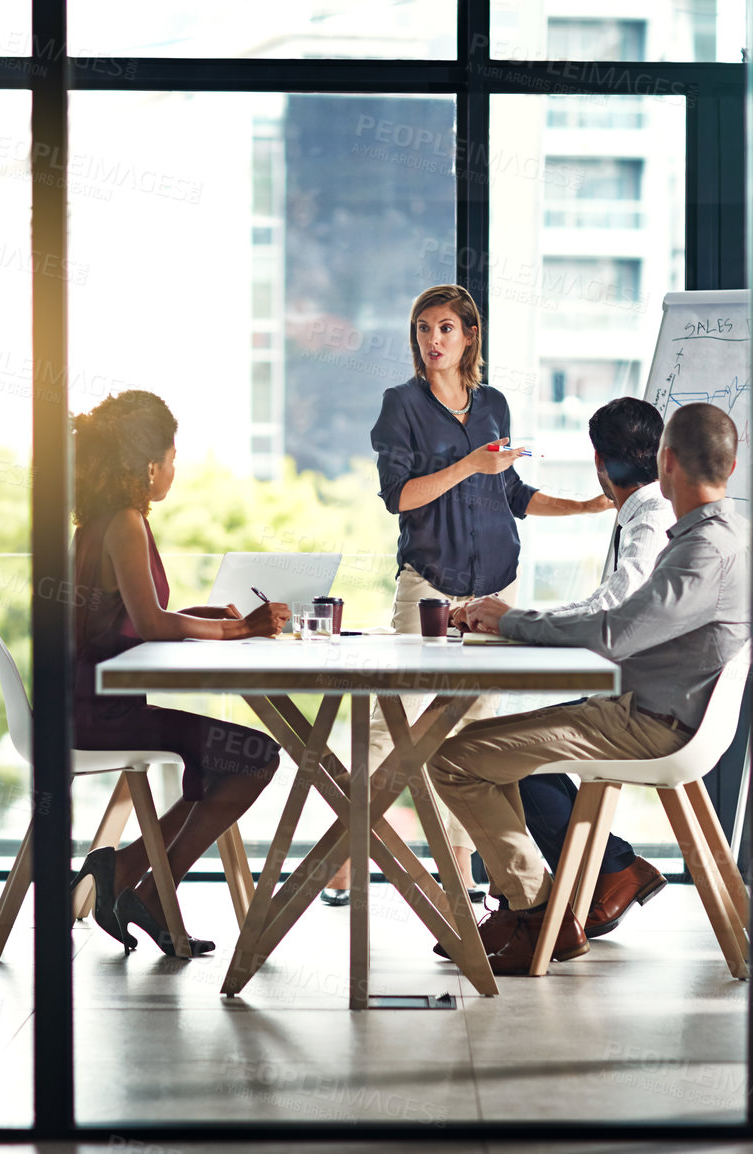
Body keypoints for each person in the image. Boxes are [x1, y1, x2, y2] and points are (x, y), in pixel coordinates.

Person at [429, 402, 750, 975]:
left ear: (666, 460)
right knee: (489, 745)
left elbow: (615, 631)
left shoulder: (701, 551)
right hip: (659, 711)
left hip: (649, 721)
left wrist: (508, 620)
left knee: (455, 758)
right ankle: (540, 902)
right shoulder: (732, 536)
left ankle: (538, 910)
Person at [318, 283, 612, 907]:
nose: (433, 340)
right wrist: (466, 466)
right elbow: (400, 496)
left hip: (495, 594)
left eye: (445, 328)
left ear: (470, 335)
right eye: (424, 329)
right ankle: (343, 855)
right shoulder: (400, 405)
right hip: (428, 587)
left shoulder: (493, 405)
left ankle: (460, 876)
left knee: (469, 732)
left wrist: (587, 505)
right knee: (387, 723)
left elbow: (513, 494)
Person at [68, 390, 291, 957]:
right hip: (102, 716)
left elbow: (136, 619)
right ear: (149, 465)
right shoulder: (124, 522)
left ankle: (129, 873)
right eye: (172, 457)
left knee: (236, 755)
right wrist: (244, 630)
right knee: (254, 756)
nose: (174, 469)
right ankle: (142, 887)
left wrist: (199, 617)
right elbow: (149, 622)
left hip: (95, 706)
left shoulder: (104, 520)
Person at [450, 396, 672, 940]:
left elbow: (611, 607)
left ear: (600, 462)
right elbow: (609, 604)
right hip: (649, 696)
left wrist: (512, 618)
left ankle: (539, 904)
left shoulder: (649, 518)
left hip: (643, 707)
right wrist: (514, 618)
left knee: (486, 753)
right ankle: (606, 871)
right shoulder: (649, 510)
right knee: (515, 741)